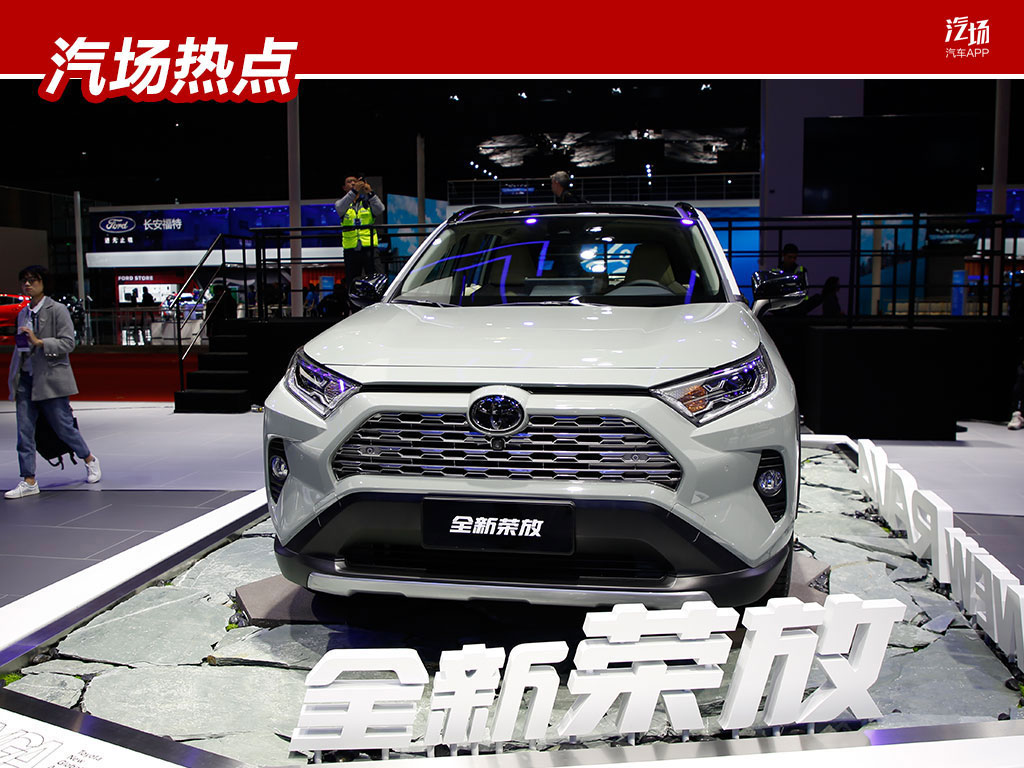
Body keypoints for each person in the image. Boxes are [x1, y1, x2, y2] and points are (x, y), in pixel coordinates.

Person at [6, 265, 100, 498]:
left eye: (33, 280)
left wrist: (40, 342)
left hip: (51, 378)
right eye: (24, 280)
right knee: (24, 432)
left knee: (63, 427)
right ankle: (29, 480)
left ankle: (89, 458)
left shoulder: (57, 310)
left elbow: (68, 343)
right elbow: (21, 347)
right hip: (25, 378)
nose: (28, 284)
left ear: (44, 283)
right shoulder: (23, 313)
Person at [335, 175, 385, 308]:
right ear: (344, 187)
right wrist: (354, 191)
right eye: (349, 182)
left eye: (355, 181)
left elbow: (380, 209)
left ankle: (378, 307)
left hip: (369, 247)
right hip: (351, 250)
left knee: (376, 278)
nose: (352, 183)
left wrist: (370, 192)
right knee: (352, 282)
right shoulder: (342, 204)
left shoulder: (368, 202)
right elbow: (339, 208)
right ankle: (355, 310)